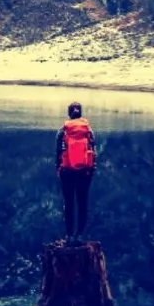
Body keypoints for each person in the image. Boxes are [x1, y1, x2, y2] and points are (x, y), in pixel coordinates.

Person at [56, 102, 96, 244]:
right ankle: (80, 235)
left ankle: (69, 235)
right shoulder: (88, 130)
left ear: (69, 114)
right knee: (82, 203)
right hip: (84, 173)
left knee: (68, 203)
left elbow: (58, 153)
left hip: (67, 172)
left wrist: (58, 169)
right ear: (81, 113)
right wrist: (91, 171)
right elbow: (93, 152)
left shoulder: (63, 131)